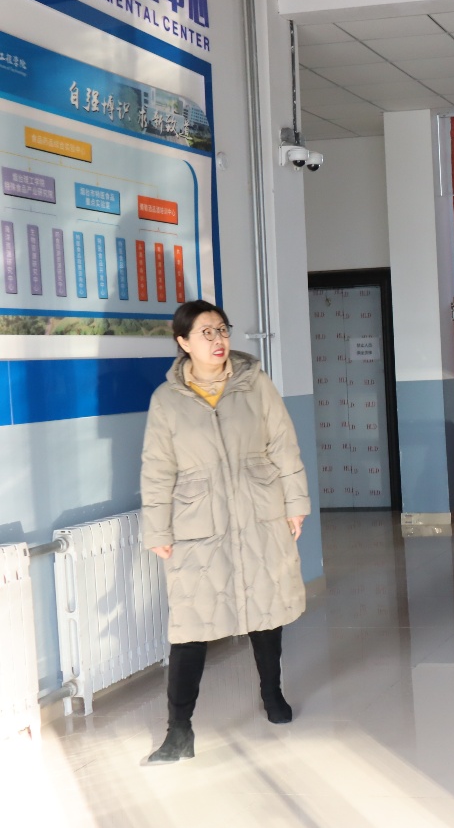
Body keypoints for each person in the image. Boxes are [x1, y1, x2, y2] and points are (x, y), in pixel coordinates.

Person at [140, 300, 310, 765]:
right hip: (199, 521)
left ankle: (272, 693)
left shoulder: (256, 385)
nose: (218, 340)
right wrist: (157, 528)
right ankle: (178, 730)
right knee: (190, 625)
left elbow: (284, 445)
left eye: (222, 330)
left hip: (258, 511)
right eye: (206, 333)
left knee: (264, 609)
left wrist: (295, 504)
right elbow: (157, 469)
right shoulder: (167, 400)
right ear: (183, 342)